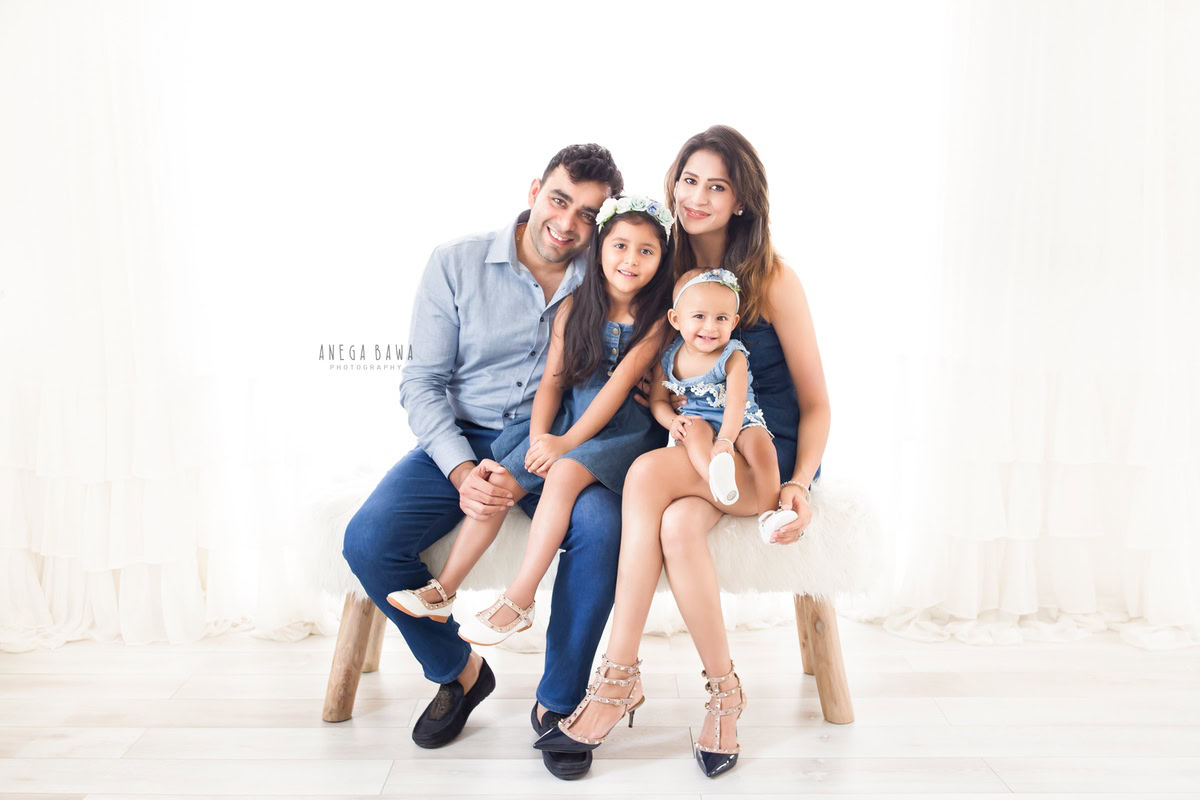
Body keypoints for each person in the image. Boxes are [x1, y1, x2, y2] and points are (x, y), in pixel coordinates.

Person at [534, 125, 830, 779]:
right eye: (689, 180)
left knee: (645, 477)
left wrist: (801, 483)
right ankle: (726, 694)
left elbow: (815, 403)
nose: (696, 197)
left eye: (717, 187)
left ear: (742, 201)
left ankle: (617, 679)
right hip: (694, 446)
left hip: (762, 448)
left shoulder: (774, 279)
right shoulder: (659, 265)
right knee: (674, 523)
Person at [342, 144, 626, 781]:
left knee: (602, 525)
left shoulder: (610, 272)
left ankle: (559, 703)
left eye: (588, 214)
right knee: (368, 540)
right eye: (559, 200)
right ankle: (459, 671)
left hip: (558, 443)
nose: (568, 224)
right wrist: (460, 470)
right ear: (534, 190)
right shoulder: (456, 262)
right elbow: (421, 383)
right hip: (462, 437)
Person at [386, 194, 673, 649]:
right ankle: (444, 590)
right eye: (620, 245)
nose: (630, 260)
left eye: (646, 251)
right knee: (503, 476)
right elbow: (552, 385)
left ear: (661, 259)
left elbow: (617, 391)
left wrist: (565, 444)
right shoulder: (575, 307)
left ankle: (519, 600)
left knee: (562, 473)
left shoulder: (656, 321)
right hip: (569, 419)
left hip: (622, 431)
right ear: (599, 247)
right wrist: (539, 437)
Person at [650, 267, 797, 542]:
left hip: (740, 419)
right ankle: (716, 479)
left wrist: (727, 439)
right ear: (676, 319)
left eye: (721, 318)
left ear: (734, 321)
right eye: (699, 316)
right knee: (693, 433)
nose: (710, 327)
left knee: (763, 447)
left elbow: (736, 403)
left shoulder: (733, 355)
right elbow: (657, 401)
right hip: (698, 419)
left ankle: (768, 515)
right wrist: (671, 421)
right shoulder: (669, 357)